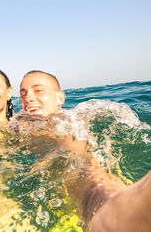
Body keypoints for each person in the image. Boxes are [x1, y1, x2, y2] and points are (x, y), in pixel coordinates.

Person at [17, 69, 151, 231]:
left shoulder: (66, 120)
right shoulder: (21, 125)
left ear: (60, 98)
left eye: (38, 90)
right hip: (60, 203)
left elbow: (85, 168)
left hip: (93, 190)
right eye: (23, 94)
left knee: (93, 186)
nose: (28, 98)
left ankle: (125, 213)